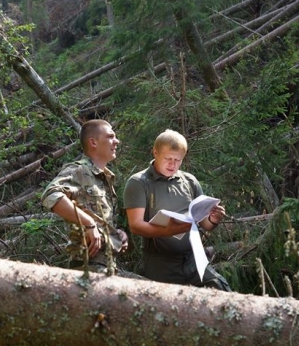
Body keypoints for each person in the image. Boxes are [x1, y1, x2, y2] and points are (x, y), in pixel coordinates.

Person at [123, 129, 231, 290]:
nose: (172, 164)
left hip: (193, 259)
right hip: (160, 263)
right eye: (168, 159)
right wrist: (168, 231)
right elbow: (135, 225)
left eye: (178, 160)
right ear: (155, 152)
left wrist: (213, 220)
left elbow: (204, 224)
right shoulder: (139, 183)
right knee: (167, 307)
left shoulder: (189, 181)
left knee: (222, 292)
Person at [41, 120, 129, 275]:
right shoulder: (79, 170)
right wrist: (89, 224)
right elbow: (51, 194)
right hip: (87, 266)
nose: (117, 141)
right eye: (110, 137)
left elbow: (99, 218)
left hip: (107, 266)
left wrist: (117, 234)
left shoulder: (105, 177)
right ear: (93, 142)